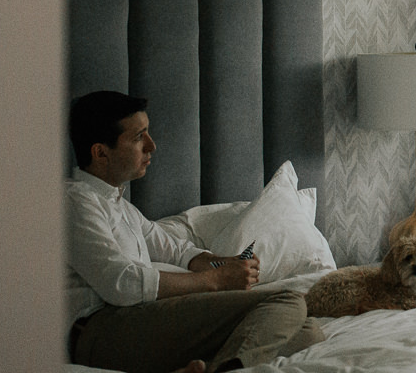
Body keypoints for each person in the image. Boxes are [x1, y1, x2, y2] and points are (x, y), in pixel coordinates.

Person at [65, 91, 323, 373]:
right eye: (139, 137)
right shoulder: (74, 201)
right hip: (102, 332)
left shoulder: (120, 206)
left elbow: (176, 250)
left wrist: (224, 262)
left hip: (138, 325)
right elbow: (121, 283)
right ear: (100, 152)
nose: (152, 145)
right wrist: (215, 280)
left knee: (307, 329)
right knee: (286, 300)